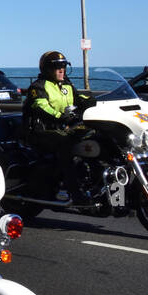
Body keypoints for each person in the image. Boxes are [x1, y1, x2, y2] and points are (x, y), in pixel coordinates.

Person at [22, 50, 95, 199]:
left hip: (63, 128)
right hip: (41, 130)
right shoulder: (39, 86)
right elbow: (41, 106)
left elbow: (78, 98)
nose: (62, 70)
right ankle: (74, 192)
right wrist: (61, 117)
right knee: (65, 146)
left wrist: (92, 101)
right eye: (57, 67)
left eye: (63, 66)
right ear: (47, 69)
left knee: (93, 137)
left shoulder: (66, 85)